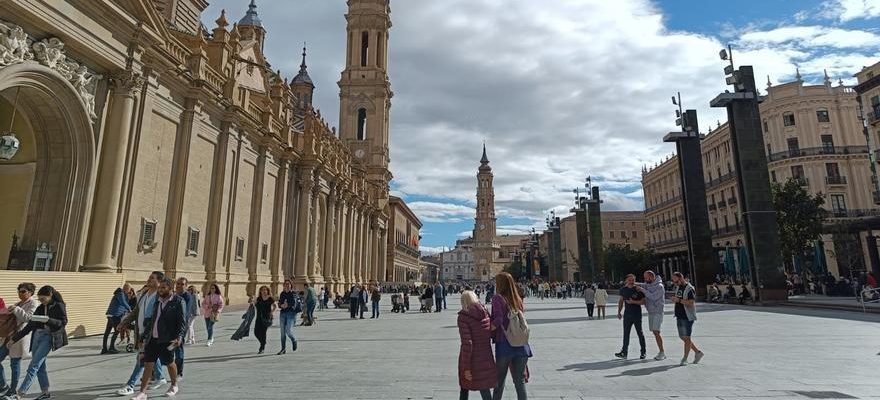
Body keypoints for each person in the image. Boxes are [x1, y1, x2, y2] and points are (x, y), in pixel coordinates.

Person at [5, 286, 68, 400]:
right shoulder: (40, 307)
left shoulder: (59, 306)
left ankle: (19, 394)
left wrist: (48, 320)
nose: (41, 301)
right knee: (40, 367)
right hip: (37, 336)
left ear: (50, 296)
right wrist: (14, 339)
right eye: (40, 299)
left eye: (43, 299)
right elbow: (30, 326)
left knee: (33, 366)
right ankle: (45, 393)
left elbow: (63, 322)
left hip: (48, 337)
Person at [130, 277, 186, 399]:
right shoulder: (157, 300)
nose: (160, 290)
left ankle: (174, 385)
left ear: (170, 289)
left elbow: (182, 322)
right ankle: (142, 392)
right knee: (148, 364)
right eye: (160, 287)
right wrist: (143, 336)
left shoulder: (178, 301)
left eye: (163, 288)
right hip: (153, 339)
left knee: (170, 363)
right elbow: (153, 320)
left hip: (167, 339)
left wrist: (179, 337)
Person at [116, 272, 168, 396]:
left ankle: (130, 385)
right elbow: (136, 312)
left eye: (152, 278)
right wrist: (124, 322)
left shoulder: (160, 296)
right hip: (141, 331)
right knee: (149, 357)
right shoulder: (144, 294)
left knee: (142, 358)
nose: (148, 279)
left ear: (159, 282)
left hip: (151, 333)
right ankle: (160, 377)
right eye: (149, 277)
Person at [490, 272, 532, 400]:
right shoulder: (517, 298)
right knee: (519, 382)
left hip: (504, 344)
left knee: (499, 381)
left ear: (500, 284)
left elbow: (498, 320)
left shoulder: (498, 298)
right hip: (521, 345)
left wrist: (486, 329)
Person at [0, 283, 39, 397]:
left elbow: (28, 318)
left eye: (23, 291)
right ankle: (3, 386)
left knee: (15, 364)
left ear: (30, 292)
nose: (20, 293)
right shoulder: (18, 303)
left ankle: (12, 390)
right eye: (19, 291)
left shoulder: (33, 303)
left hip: (19, 338)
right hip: (8, 337)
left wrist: (16, 309)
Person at [457, 290, 495, 400]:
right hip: (485, 355)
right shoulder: (485, 312)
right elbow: (491, 332)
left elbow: (467, 343)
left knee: (464, 386)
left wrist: (466, 367)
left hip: (471, 357)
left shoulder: (463, 317)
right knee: (484, 386)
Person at [671, 272, 704, 366]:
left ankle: (685, 358)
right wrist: (675, 299)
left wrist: (679, 300)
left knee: (687, 337)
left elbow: (691, 302)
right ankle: (698, 352)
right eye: (674, 282)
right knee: (683, 337)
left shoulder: (689, 288)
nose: (675, 283)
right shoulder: (678, 287)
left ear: (680, 278)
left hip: (687, 316)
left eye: (676, 281)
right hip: (679, 315)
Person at [635, 271, 666, 361]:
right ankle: (661, 351)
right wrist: (632, 283)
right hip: (651, 311)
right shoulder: (649, 284)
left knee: (656, 332)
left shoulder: (660, 286)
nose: (645, 280)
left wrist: (642, 290)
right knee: (655, 332)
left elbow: (653, 297)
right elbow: (642, 285)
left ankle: (662, 352)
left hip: (658, 312)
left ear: (652, 277)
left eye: (646, 278)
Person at [615, 274, 646, 360]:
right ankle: (624, 352)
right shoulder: (623, 290)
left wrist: (633, 302)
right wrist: (619, 312)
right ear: (626, 280)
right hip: (627, 315)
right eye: (630, 280)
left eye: (633, 280)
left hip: (637, 314)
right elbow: (621, 301)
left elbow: (644, 302)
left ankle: (643, 352)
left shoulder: (638, 289)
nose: (632, 281)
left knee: (640, 333)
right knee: (626, 334)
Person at [172, 277, 193, 381]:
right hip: (169, 326)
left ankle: (179, 372)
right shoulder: (173, 295)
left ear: (186, 286)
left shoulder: (187, 296)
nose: (179, 285)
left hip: (180, 327)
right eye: (178, 283)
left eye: (182, 284)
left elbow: (186, 313)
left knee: (178, 349)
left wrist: (181, 331)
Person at [102, 283, 132, 354]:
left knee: (107, 332)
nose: (129, 291)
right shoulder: (121, 293)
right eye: (129, 289)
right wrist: (130, 309)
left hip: (111, 314)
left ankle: (104, 349)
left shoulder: (121, 293)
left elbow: (122, 304)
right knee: (117, 331)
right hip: (115, 314)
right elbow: (123, 302)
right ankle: (111, 348)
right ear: (127, 288)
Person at [277, 280, 300, 355]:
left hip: (291, 313)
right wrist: (281, 305)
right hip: (283, 313)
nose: (286, 285)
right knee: (282, 332)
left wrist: (287, 305)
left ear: (291, 285)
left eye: (288, 284)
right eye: (285, 284)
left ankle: (293, 340)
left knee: (288, 331)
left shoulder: (293, 293)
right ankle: (283, 349)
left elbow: (294, 303)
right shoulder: (282, 293)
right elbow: (279, 302)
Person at [253, 286, 275, 354]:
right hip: (258, 317)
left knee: (263, 332)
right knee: (256, 332)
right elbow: (255, 305)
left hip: (266, 318)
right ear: (260, 291)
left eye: (265, 290)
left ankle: (262, 347)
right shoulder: (258, 298)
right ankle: (263, 342)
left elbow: (275, 305)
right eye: (262, 290)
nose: (264, 291)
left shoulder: (270, 298)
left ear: (268, 291)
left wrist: (272, 312)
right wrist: (254, 302)